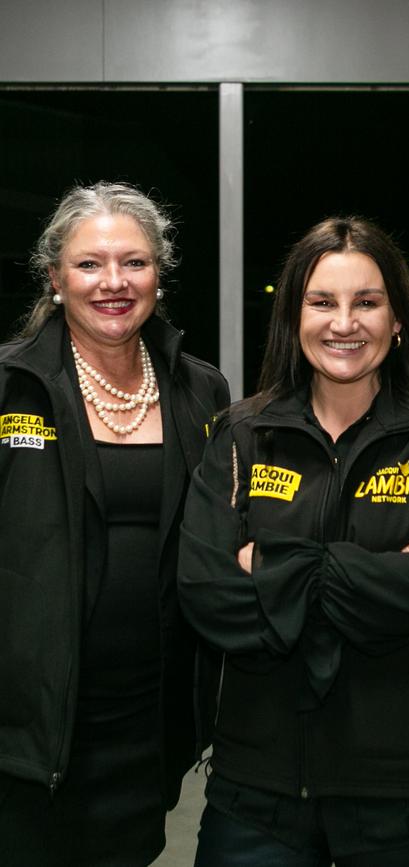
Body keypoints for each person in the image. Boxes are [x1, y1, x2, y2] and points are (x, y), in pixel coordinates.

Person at [178, 215, 409, 867]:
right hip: (258, 797)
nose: (343, 322)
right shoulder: (241, 433)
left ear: (399, 318)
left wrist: (271, 569)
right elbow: (208, 592)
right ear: (294, 316)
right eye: (322, 301)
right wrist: (386, 574)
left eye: (367, 302)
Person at [0, 181, 230, 867]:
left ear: (159, 272)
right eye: (89, 263)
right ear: (55, 276)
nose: (113, 282)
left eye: (134, 261)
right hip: (28, 737)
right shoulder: (11, 386)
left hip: (146, 732)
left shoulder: (201, 390)